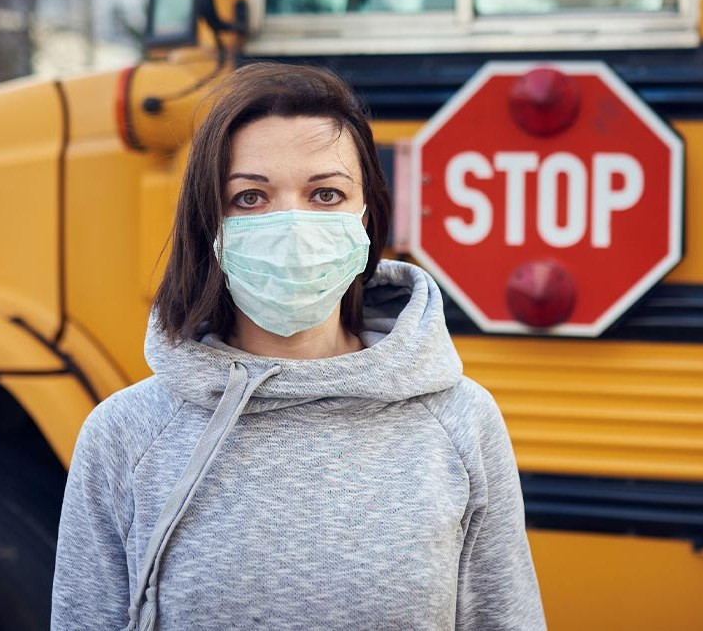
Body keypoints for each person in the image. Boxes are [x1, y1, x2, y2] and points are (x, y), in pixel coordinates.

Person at [50, 62, 547, 630]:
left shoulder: (460, 421)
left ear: (367, 218)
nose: (292, 224)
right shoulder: (124, 435)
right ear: (210, 226)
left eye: (326, 194)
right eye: (251, 198)